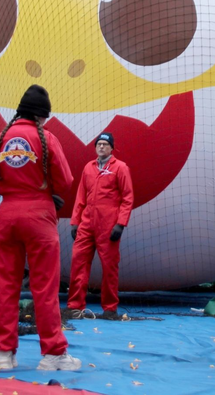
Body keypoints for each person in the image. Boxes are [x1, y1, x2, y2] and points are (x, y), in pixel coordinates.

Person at [0, 85, 80, 372]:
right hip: (38, 215)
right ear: (42, 116)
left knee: (5, 286)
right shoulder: (46, 138)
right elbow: (65, 180)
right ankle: (52, 352)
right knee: (44, 287)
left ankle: (4, 354)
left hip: (7, 215)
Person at [68, 132, 134, 320]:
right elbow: (81, 196)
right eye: (99, 144)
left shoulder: (120, 168)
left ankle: (110, 308)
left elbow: (127, 197)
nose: (102, 147)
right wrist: (75, 222)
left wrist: (120, 224)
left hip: (109, 224)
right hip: (87, 222)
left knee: (110, 266)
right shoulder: (88, 168)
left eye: (105, 144)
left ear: (112, 148)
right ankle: (74, 306)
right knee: (78, 262)